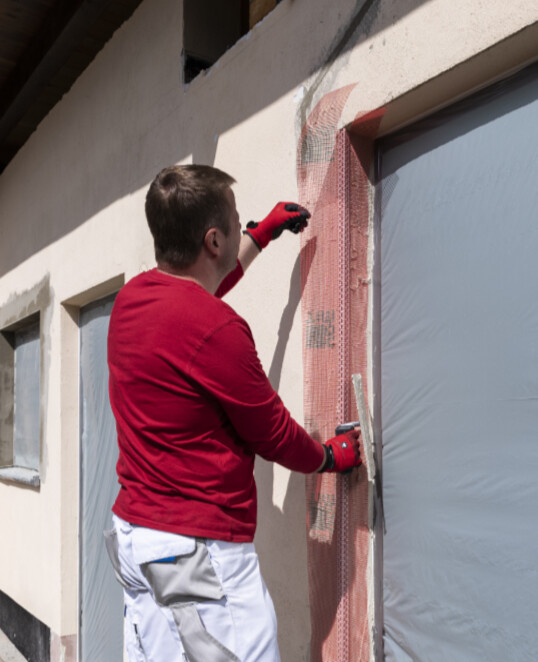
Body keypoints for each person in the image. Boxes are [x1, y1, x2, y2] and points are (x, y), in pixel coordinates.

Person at [104, 164, 362, 662]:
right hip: (197, 555)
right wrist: (330, 457)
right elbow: (273, 435)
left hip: (137, 541)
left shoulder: (132, 300)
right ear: (213, 241)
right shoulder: (218, 329)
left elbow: (194, 299)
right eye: (237, 221)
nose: (246, 223)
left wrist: (260, 236)